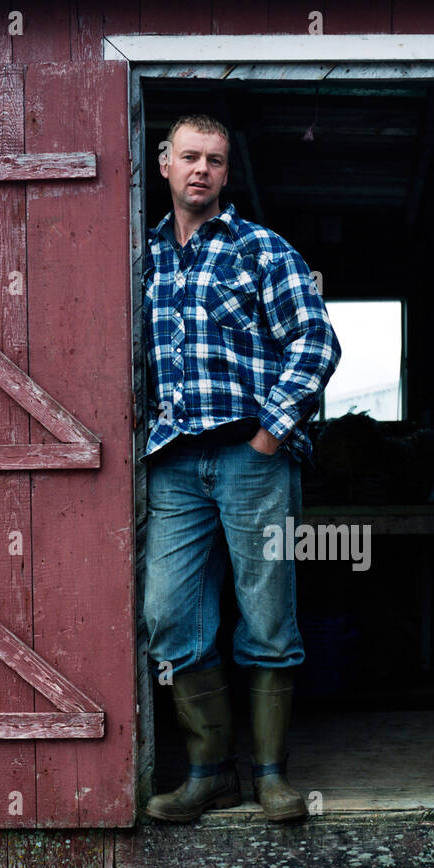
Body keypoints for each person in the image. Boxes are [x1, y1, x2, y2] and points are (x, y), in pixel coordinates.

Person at [141, 114, 341, 824]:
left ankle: (270, 776)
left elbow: (316, 342)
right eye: (189, 156)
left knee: (267, 614)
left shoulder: (261, 249)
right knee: (168, 616)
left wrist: (268, 435)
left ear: (227, 172)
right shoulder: (143, 259)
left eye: (215, 160)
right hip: (171, 462)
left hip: (250, 457)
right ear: (164, 164)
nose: (202, 169)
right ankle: (207, 775)